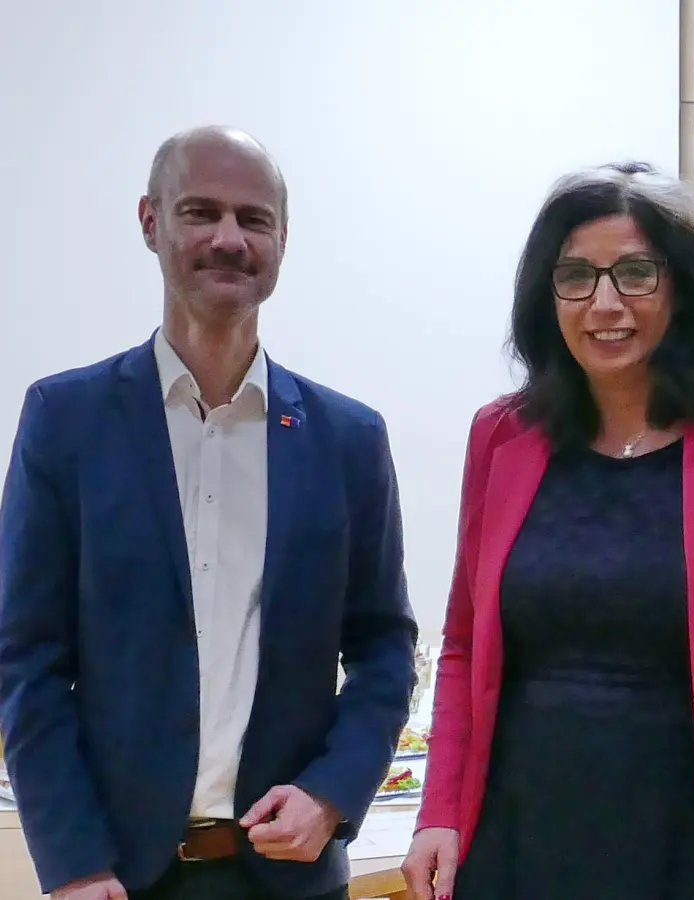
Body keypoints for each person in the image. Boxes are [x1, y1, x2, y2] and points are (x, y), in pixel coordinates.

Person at [400, 161, 694, 900]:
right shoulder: (501, 439)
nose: (605, 302)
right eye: (575, 275)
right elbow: (462, 640)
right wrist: (438, 810)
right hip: (520, 842)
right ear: (548, 295)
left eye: (636, 272)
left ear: (682, 287)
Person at [0, 126, 419, 900]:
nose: (228, 238)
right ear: (151, 221)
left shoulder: (349, 441)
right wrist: (72, 860)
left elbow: (384, 647)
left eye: (253, 219)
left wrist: (332, 792)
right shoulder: (65, 421)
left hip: (290, 876)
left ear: (282, 240)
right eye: (201, 211)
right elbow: (27, 659)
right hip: (117, 877)